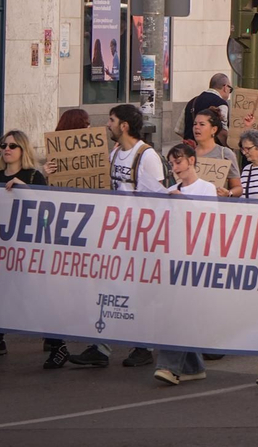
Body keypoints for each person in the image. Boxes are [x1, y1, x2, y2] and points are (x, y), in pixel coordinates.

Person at [64, 105, 165, 369]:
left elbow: (157, 201)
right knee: (105, 289)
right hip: (112, 234)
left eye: (111, 120)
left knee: (137, 292)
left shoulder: (146, 156)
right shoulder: (115, 153)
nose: (107, 124)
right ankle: (100, 347)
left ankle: (142, 346)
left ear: (124, 126)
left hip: (136, 237)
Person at [0, 131, 65, 373]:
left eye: (13, 146)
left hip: (25, 253)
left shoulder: (33, 176)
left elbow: (46, 216)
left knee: (35, 300)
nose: (7, 149)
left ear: (23, 149)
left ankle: (58, 345)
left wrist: (24, 188)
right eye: (3, 145)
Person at [153, 143, 218, 385]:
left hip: (198, 259)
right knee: (180, 311)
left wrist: (183, 202)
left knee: (179, 312)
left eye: (178, 162)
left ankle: (169, 366)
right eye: (171, 164)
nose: (175, 168)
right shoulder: (171, 190)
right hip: (175, 257)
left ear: (191, 161)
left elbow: (207, 222)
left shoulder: (207, 188)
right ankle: (193, 366)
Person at [191, 106, 243, 198]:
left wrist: (228, 193)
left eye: (202, 124)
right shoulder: (188, 154)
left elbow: (238, 188)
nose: (196, 127)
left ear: (214, 129)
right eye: (195, 124)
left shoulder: (225, 154)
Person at [180, 73, 232, 138]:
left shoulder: (192, 101)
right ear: (225, 87)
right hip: (211, 147)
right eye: (230, 89)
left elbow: (179, 130)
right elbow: (222, 131)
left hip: (190, 146)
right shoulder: (221, 104)